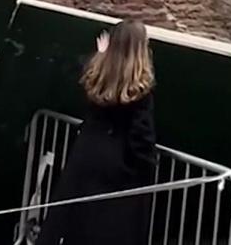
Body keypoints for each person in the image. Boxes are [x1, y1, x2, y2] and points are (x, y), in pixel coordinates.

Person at [37, 19, 157, 245]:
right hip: (117, 169)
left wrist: (101, 54)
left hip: (86, 157)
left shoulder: (98, 72)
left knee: (75, 222)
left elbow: (90, 83)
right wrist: (147, 166)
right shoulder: (139, 88)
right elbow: (142, 137)